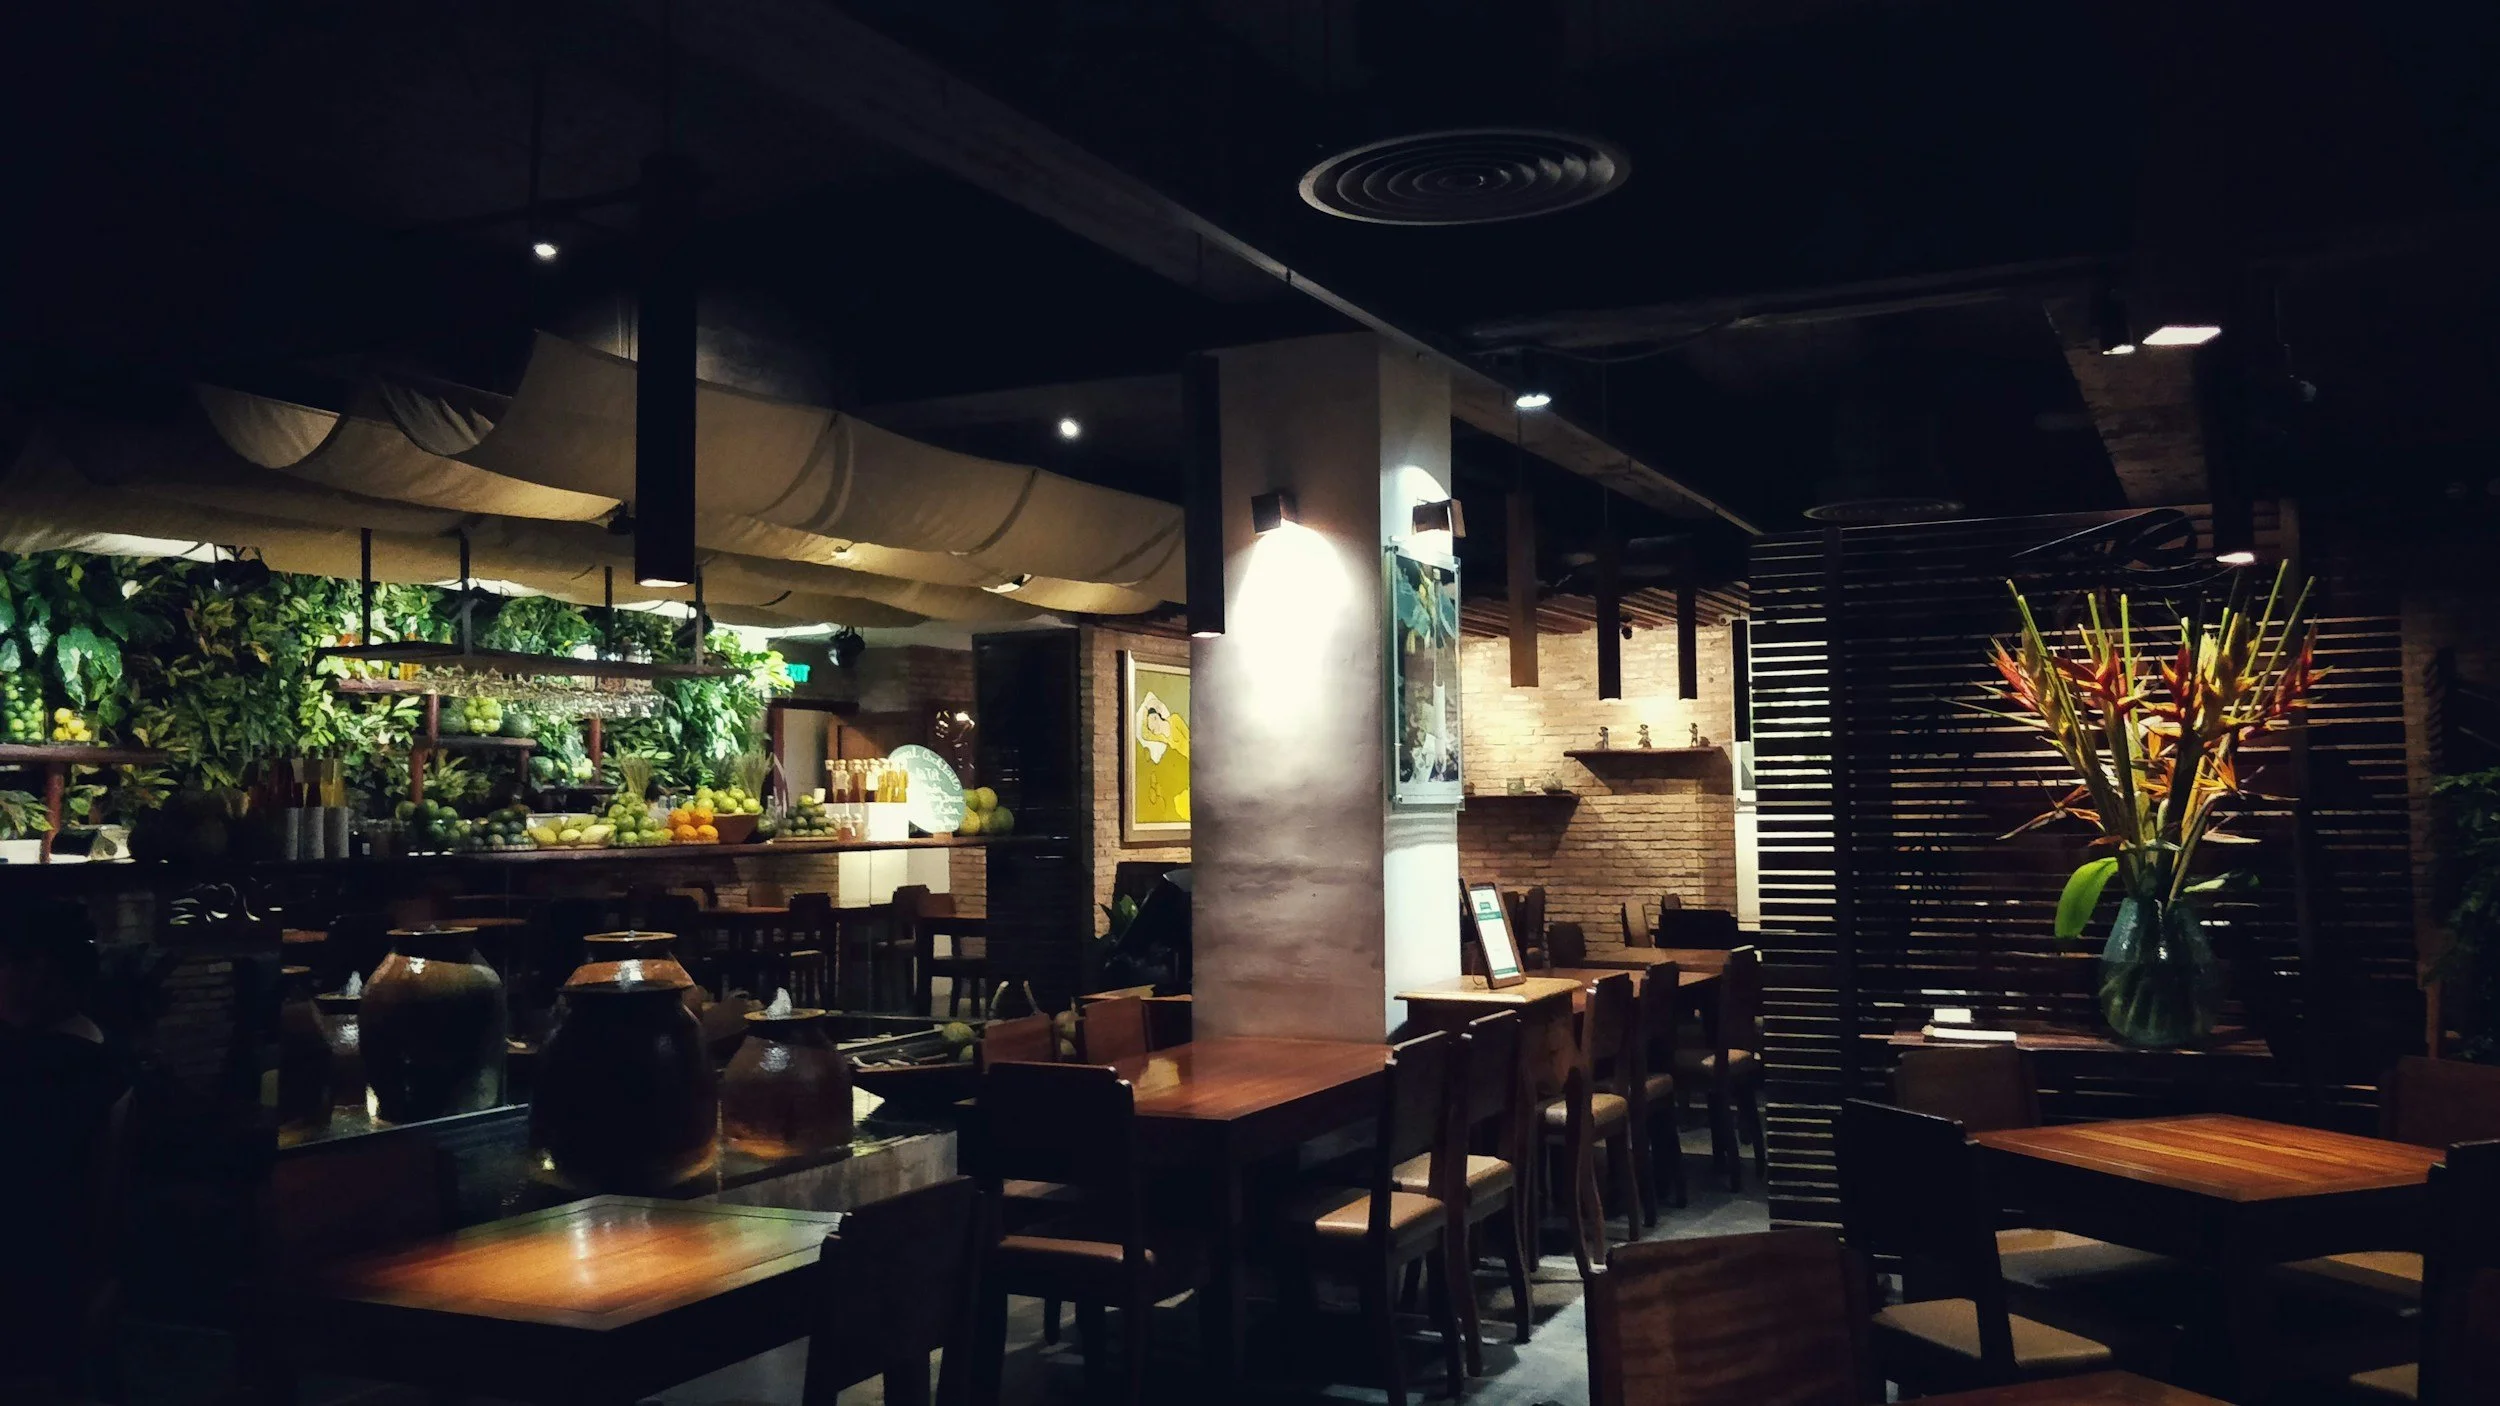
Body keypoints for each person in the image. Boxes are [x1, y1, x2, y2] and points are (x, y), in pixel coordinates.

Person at [0, 899, 133, 1403]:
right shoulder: (96, 1057)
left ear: (35, 972)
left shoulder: (41, 1074)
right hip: (66, 1283)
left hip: (28, 1292)